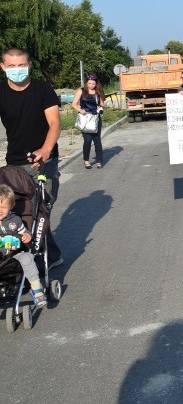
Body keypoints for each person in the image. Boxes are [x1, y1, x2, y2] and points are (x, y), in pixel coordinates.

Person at [0, 47, 63, 268]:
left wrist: (45, 149)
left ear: (29, 66)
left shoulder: (42, 90)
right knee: (19, 212)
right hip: (14, 162)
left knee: (41, 209)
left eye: (21, 65)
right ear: (3, 67)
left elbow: (55, 124)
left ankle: (39, 257)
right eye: (11, 66)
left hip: (43, 161)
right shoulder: (1, 91)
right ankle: (48, 255)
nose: (17, 70)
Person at [0, 184, 48, 306]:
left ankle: (36, 289)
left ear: (11, 207)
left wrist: (27, 235)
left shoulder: (15, 220)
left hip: (14, 255)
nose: (1, 210)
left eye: (4, 207)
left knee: (27, 258)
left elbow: (23, 232)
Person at [71, 74, 106, 169]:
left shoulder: (98, 92)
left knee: (97, 140)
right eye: (89, 83)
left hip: (95, 118)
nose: (91, 85)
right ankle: (86, 160)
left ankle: (99, 161)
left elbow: (102, 104)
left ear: (96, 84)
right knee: (87, 140)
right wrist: (80, 110)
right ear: (86, 82)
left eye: (93, 84)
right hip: (85, 119)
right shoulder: (81, 91)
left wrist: (101, 104)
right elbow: (73, 104)